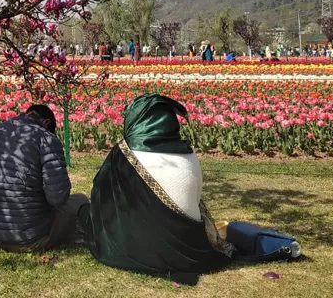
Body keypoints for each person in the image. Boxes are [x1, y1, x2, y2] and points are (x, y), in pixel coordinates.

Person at [78, 95, 235, 282]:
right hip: (189, 248)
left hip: (137, 250)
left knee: (85, 211)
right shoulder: (189, 154)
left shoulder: (123, 155)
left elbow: (101, 198)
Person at [0, 104, 88, 252]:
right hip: (30, 238)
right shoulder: (45, 138)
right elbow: (58, 198)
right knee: (80, 200)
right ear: (47, 123)